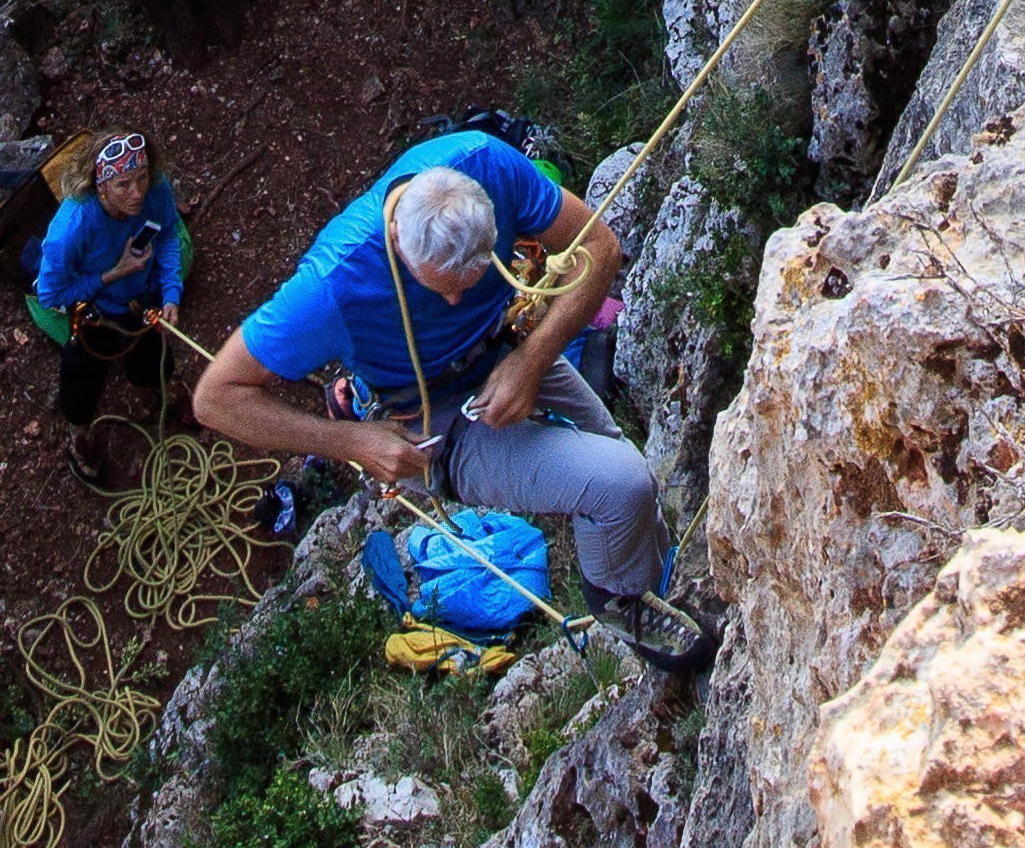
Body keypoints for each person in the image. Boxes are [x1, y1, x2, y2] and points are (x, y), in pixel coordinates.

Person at [191, 122, 677, 616]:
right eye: (439, 286)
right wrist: (353, 443)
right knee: (620, 484)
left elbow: (600, 248)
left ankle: (660, 580)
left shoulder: (488, 165)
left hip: (504, 352)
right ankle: (628, 617)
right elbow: (216, 398)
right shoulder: (332, 286)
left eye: (469, 282)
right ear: (396, 236)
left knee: (622, 465)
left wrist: (531, 361)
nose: (453, 301)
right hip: (431, 420)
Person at [23, 127, 195, 475]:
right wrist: (112, 274)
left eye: (141, 178)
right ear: (101, 186)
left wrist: (171, 293)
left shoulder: (155, 188)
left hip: (142, 297)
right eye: (123, 185)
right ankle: (79, 435)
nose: (137, 193)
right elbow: (50, 294)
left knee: (152, 354)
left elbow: (167, 236)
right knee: (82, 378)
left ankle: (162, 387)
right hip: (95, 312)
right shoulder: (71, 228)